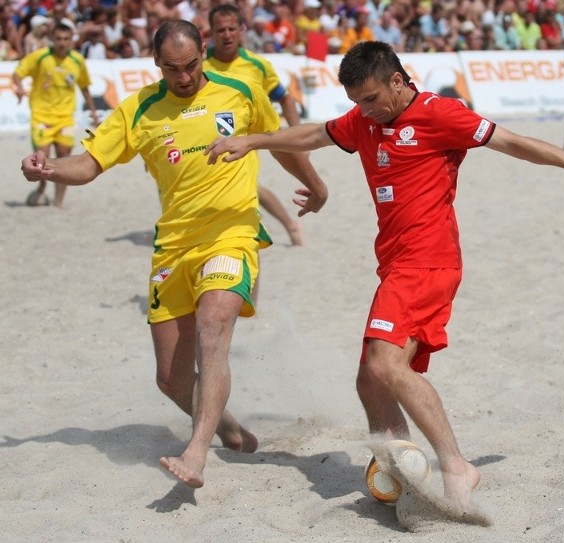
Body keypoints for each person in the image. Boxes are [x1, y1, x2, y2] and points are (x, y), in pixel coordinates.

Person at [205, 41, 564, 520]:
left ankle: (455, 465)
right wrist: (253, 141)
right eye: (358, 101)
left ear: (398, 82)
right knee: (369, 382)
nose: (366, 110)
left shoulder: (440, 114)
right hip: (396, 264)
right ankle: (406, 471)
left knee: (384, 364)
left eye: (373, 98)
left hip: (428, 262)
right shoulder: (364, 120)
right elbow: (315, 135)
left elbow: (514, 143)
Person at [20, 20, 328, 488]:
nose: (183, 77)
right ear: (156, 63)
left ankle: (197, 451)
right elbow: (87, 164)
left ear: (203, 52)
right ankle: (228, 428)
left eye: (191, 66)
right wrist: (48, 170)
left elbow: (277, 139)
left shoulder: (240, 90)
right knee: (169, 378)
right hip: (173, 246)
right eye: (172, 69)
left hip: (232, 234)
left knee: (213, 327)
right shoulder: (139, 109)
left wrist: (317, 186)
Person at [205, 3, 306, 246]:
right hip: (204, 139)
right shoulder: (199, 64)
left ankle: (288, 225)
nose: (227, 35)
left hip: (244, 141)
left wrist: (297, 139)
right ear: (211, 32)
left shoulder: (257, 65)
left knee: (249, 188)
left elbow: (284, 98)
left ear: (242, 29)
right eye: (220, 30)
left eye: (232, 28)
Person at [13, 22, 99, 208]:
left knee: (63, 160)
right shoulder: (41, 56)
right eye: (58, 39)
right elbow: (18, 73)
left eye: (66, 39)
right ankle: (42, 187)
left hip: (65, 118)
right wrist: (19, 88)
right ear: (52, 39)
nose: (62, 43)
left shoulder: (77, 60)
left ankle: (58, 202)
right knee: (41, 161)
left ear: (71, 40)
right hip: (41, 117)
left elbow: (84, 88)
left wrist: (93, 113)